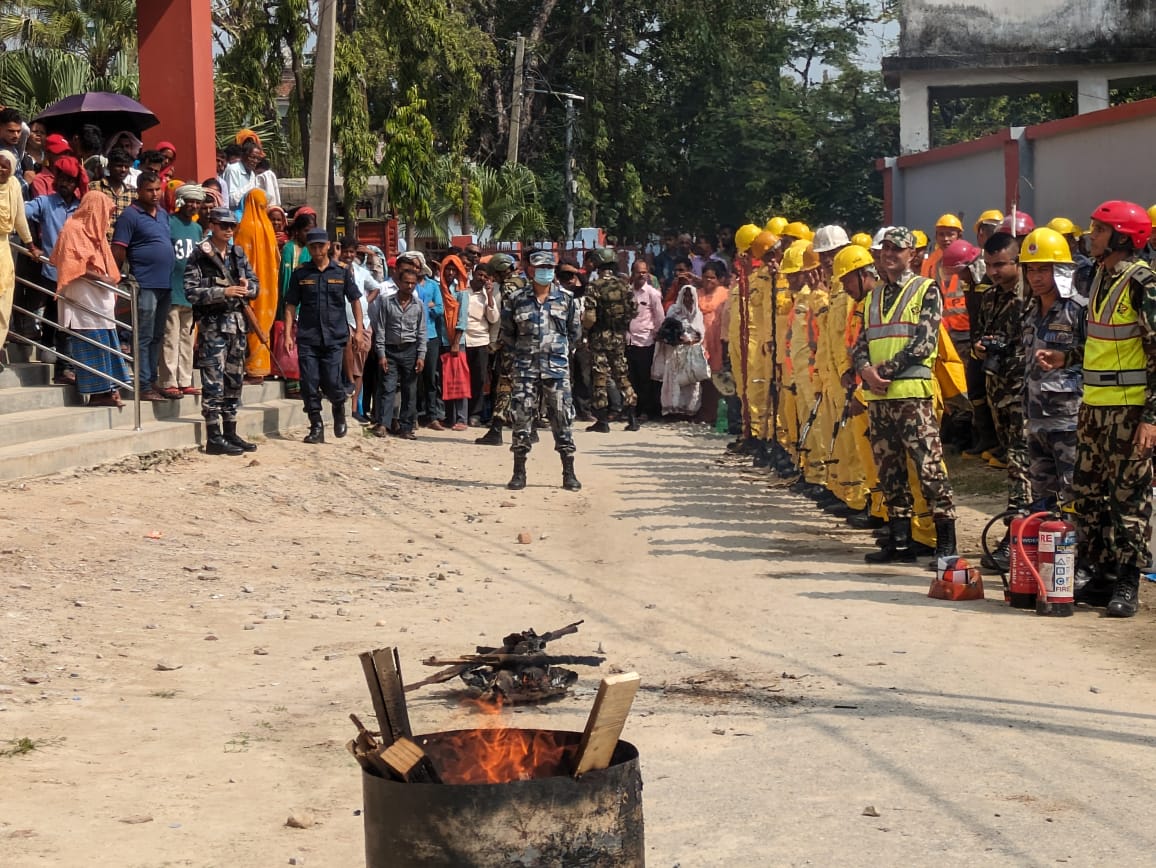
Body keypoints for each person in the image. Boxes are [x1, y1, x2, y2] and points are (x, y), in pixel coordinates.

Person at [851, 227, 958, 564]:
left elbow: (924, 343)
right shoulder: (872, 298)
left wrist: (883, 371)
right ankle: (899, 541)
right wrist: (867, 371)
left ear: (912, 253)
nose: (889, 254)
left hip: (913, 395)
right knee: (889, 469)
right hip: (880, 398)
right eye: (885, 248)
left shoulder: (926, 290)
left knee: (929, 468)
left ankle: (946, 544)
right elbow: (860, 345)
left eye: (897, 249)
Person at [1070, 201, 1156, 617]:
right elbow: (1099, 343)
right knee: (1088, 494)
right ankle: (1101, 575)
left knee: (1129, 497)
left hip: (1129, 410)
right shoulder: (1100, 277)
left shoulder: (1144, 283)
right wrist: (1066, 360)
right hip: (1093, 406)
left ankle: (1128, 578)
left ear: (1123, 237)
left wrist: (1151, 419)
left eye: (1100, 230)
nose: (1092, 236)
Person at [973, 231, 1030, 571]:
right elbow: (984, 334)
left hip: (1025, 394)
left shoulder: (1032, 297)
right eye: (989, 265)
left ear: (1017, 261)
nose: (993, 271)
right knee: (1013, 463)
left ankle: (1018, 536)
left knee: (1022, 466)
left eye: (1000, 265)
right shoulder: (991, 297)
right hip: (999, 393)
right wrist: (982, 348)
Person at [501, 250, 582, 491]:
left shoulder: (567, 300)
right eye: (540, 267)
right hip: (525, 369)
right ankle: (519, 472)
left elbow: (574, 334)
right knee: (521, 418)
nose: (545, 271)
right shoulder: (516, 298)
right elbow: (508, 332)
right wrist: (524, 353)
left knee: (562, 418)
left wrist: (558, 352)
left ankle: (569, 473)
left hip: (556, 370)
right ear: (530, 269)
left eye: (549, 266)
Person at [1019, 227, 1085, 513]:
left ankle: (1078, 554)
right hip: (1036, 420)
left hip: (1069, 421)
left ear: (1060, 270)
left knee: (1074, 492)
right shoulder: (1029, 311)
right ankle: (1046, 553)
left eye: (1043, 269)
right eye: (1031, 270)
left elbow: (1094, 357)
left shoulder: (1078, 310)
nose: (1036, 277)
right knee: (1041, 498)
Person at [185, 207, 260, 455]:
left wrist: (247, 288)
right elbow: (191, 291)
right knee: (213, 382)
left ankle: (230, 430)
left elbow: (256, 285)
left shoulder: (238, 254)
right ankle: (213, 435)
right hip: (214, 327)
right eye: (224, 226)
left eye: (232, 226)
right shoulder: (200, 255)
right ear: (213, 225)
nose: (229, 230)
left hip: (237, 326)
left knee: (233, 380)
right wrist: (222, 292)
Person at [48, 191, 128, 406]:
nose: (108, 218)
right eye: (106, 212)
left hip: (100, 301)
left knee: (107, 344)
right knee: (91, 345)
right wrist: (100, 277)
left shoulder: (98, 234)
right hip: (83, 298)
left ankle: (110, 390)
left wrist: (108, 279)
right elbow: (71, 264)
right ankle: (97, 395)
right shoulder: (72, 229)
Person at [285, 228, 364, 443]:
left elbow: (355, 300)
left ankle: (339, 407)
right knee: (309, 383)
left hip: (334, 337)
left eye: (321, 245)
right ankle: (316, 426)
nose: (317, 250)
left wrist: (358, 330)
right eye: (313, 246)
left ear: (329, 246)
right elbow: (291, 304)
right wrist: (287, 335)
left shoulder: (341, 271)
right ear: (308, 248)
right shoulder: (301, 273)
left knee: (331, 381)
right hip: (308, 337)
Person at [111, 170, 174, 401]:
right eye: (150, 190)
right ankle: (143, 384)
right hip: (143, 283)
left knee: (158, 335)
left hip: (165, 284)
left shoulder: (164, 215)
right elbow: (118, 249)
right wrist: (117, 276)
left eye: (158, 189)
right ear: (139, 190)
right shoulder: (130, 215)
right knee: (144, 336)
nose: (155, 193)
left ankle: (152, 379)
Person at [25, 155, 83, 383]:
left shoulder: (81, 207)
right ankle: (62, 367)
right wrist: (31, 245)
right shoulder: (45, 203)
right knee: (56, 318)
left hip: (76, 274)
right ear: (56, 178)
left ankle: (60, 362)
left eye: (71, 180)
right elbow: (20, 215)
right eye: (62, 178)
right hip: (52, 272)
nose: (66, 184)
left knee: (64, 321)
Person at [582, 247, 638, 432]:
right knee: (622, 374)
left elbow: (589, 318)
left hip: (599, 336)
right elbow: (634, 310)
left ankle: (602, 420)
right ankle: (632, 417)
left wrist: (585, 332)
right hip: (619, 336)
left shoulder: (594, 286)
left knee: (600, 376)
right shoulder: (624, 285)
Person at [159, 183, 206, 399]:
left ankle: (185, 379)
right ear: (181, 201)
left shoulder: (197, 229)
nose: (194, 205)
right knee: (170, 337)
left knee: (187, 338)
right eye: (190, 201)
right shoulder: (169, 222)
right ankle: (168, 380)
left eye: (197, 202)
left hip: (190, 292)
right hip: (171, 288)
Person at [371, 263, 427, 439]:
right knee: (388, 388)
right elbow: (380, 329)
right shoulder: (387, 303)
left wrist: (421, 356)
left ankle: (406, 427)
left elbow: (422, 332)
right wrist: (381, 354)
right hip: (390, 350)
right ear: (399, 283)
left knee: (409, 391)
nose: (409, 286)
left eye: (412, 283)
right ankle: (383, 424)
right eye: (406, 282)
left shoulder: (418, 306)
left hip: (410, 351)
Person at [476, 254, 528, 445]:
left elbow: (508, 319)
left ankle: (496, 429)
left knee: (505, 384)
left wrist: (498, 343)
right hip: (528, 343)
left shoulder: (508, 287)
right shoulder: (525, 283)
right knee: (527, 385)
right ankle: (531, 428)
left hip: (512, 344)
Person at [234, 189, 279, 382]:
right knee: (262, 322)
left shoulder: (243, 227)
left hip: (248, 285)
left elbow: (237, 256)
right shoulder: (269, 227)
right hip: (268, 287)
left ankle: (251, 369)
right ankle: (260, 368)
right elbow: (276, 259)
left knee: (249, 323)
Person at [0, 151, 40, 367]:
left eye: (5, 166)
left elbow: (19, 218)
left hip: (4, 248)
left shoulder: (15, 185)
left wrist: (30, 244)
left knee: (4, 299)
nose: (0, 169)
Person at [338, 239, 378, 420]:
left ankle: (354, 409)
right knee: (343, 364)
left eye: (351, 252)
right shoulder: (335, 270)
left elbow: (375, 288)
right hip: (342, 321)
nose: (348, 255)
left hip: (363, 323)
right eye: (345, 251)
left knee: (358, 368)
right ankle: (341, 407)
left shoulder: (362, 272)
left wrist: (364, 302)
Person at [625, 257, 664, 423]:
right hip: (628, 341)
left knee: (644, 378)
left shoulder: (653, 294)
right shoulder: (626, 292)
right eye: (638, 272)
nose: (641, 275)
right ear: (632, 273)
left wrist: (655, 333)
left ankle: (645, 411)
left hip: (645, 341)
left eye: (644, 272)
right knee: (630, 378)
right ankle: (631, 411)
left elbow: (660, 317)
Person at [657, 284, 705, 416]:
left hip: (692, 352)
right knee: (673, 380)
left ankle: (689, 410)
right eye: (685, 295)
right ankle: (672, 410)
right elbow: (666, 329)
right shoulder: (674, 310)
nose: (688, 298)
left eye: (691, 295)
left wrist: (691, 341)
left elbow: (701, 333)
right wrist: (678, 339)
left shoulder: (698, 314)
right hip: (675, 352)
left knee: (692, 382)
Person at [465, 261, 500, 426]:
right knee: (463, 378)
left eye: (486, 277)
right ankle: (460, 413)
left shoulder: (489, 295)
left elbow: (493, 318)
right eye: (480, 274)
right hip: (463, 339)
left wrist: (490, 297)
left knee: (479, 379)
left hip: (480, 340)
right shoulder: (463, 290)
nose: (482, 278)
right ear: (474, 273)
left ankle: (475, 414)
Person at [439, 254, 472, 430]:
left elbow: (462, 319)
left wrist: (455, 342)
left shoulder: (461, 291)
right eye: (448, 269)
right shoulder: (440, 289)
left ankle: (461, 418)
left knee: (459, 379)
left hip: (456, 341)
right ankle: (449, 417)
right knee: (446, 379)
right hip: (442, 338)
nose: (450, 272)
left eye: (453, 269)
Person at [90, 149, 135, 240]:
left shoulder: (133, 193)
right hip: (99, 242)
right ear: (109, 166)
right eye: (119, 166)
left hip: (123, 245)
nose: (123, 170)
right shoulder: (94, 187)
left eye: (126, 167)